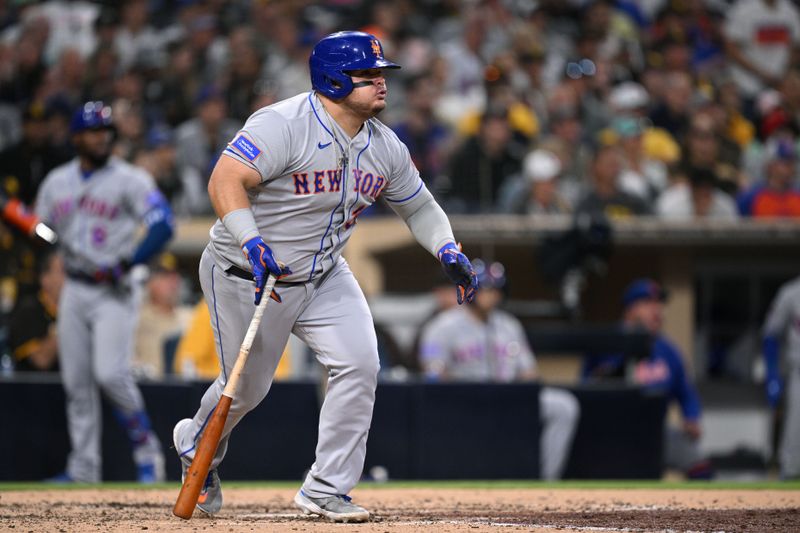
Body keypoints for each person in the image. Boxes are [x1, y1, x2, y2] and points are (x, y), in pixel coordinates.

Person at [171, 31, 478, 522]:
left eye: (382, 74)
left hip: (324, 273)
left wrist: (446, 248)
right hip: (245, 273)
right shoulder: (282, 124)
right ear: (334, 80)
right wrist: (252, 241)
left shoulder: (384, 145)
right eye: (369, 76)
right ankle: (194, 441)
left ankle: (327, 488)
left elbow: (418, 205)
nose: (382, 84)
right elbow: (225, 179)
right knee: (247, 389)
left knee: (361, 364)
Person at [34, 101, 175, 483]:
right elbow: (42, 230)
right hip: (75, 288)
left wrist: (128, 263)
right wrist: (37, 235)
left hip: (114, 287)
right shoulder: (56, 182)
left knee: (110, 374)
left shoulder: (130, 179)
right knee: (76, 382)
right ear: (76, 137)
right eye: (92, 131)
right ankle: (83, 468)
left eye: (105, 131)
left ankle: (148, 453)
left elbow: (163, 224)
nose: (100, 137)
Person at [418, 259, 580, 480]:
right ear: (469, 288)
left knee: (563, 406)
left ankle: (546, 481)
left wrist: (521, 389)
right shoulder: (442, 326)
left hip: (507, 396)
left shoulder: (509, 325)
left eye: (495, 288)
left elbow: (529, 371)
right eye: (483, 287)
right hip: (466, 398)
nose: (490, 294)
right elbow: (433, 373)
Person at [582, 279, 713, 479]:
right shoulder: (608, 343)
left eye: (659, 304)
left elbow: (686, 393)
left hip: (656, 431)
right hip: (614, 432)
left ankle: (698, 510)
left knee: (700, 466)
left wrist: (691, 417)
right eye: (648, 304)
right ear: (630, 309)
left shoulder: (668, 350)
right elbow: (585, 388)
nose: (657, 310)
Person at [761, 275, 800, 479]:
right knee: (794, 440)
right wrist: (772, 375)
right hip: (798, 371)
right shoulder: (792, 292)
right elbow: (771, 335)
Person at [7, 249, 63, 372]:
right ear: (45, 279)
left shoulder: (85, 311)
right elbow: (41, 361)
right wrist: (66, 325)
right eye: (63, 271)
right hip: (34, 389)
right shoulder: (28, 310)